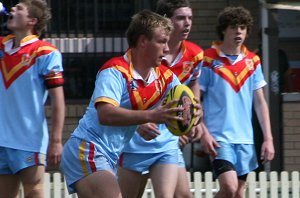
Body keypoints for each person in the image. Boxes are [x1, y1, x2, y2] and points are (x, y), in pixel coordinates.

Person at [60, 10, 192, 197]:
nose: (167, 49)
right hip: (87, 149)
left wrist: (193, 115)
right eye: (162, 41)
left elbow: (186, 102)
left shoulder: (165, 77)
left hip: (109, 156)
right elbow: (106, 114)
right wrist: (150, 116)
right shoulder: (115, 71)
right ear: (143, 41)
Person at [117, 1, 205, 197]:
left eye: (190, 18)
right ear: (165, 21)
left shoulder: (195, 54)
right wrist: (139, 120)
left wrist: (191, 117)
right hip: (137, 137)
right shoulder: (141, 56)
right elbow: (123, 97)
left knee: (180, 195)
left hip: (167, 138)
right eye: (181, 18)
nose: (187, 24)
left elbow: (192, 86)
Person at [199, 6, 275, 198]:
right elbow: (195, 101)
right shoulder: (208, 59)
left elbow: (260, 103)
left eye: (243, 27)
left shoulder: (253, 61)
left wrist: (268, 139)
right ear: (224, 29)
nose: (239, 31)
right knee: (230, 188)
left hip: (245, 139)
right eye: (234, 27)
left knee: (239, 193)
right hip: (218, 137)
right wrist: (204, 133)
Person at [0, 0, 65, 197]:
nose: (12, 9)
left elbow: (58, 100)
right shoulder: (2, 47)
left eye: (19, 8)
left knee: (34, 191)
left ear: (32, 21)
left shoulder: (45, 52)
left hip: (30, 140)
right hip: (1, 140)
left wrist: (56, 140)